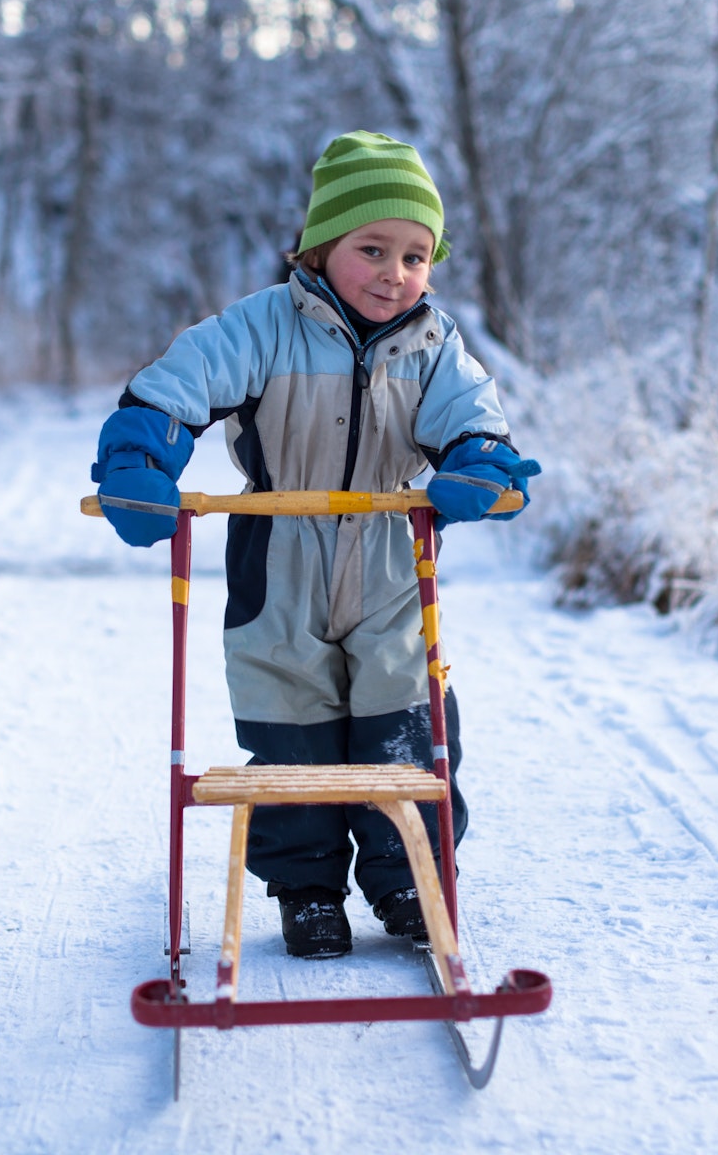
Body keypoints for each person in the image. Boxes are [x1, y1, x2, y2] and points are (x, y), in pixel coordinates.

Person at [89, 131, 540, 959]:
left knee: (407, 720)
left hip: (392, 559)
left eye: (415, 256)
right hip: (279, 556)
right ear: (320, 247)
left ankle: (412, 880)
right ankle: (305, 890)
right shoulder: (260, 327)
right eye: (372, 249)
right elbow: (175, 386)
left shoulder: (435, 347)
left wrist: (483, 466)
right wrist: (138, 459)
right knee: (289, 721)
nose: (394, 273)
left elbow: (477, 423)